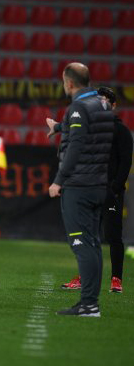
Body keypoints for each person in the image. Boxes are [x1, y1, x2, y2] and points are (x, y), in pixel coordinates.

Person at [46, 63, 114, 317]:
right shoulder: (103, 104)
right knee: (93, 244)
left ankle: (89, 305)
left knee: (80, 244)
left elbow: (77, 145)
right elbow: (91, 132)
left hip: (78, 186)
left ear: (70, 82)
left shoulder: (78, 107)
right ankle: (90, 302)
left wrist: (59, 180)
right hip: (98, 184)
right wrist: (59, 127)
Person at [53, 87, 132, 294]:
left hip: (111, 191)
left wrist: (114, 188)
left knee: (113, 236)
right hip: (89, 188)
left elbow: (125, 162)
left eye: (105, 102)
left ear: (113, 106)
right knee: (87, 235)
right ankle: (84, 277)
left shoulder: (121, 131)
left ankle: (116, 279)